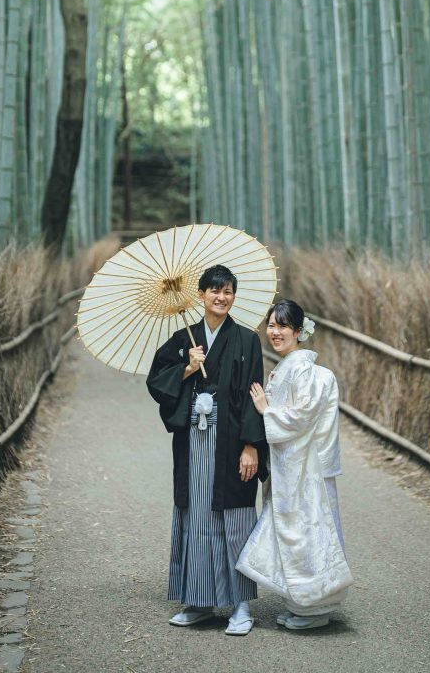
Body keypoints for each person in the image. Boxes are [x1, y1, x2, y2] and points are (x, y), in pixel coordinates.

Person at [146, 264, 267, 636]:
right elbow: (156, 383)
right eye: (215, 290)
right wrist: (187, 368)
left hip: (232, 440)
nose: (222, 297)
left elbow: (252, 394)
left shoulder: (247, 340)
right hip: (195, 442)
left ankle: (241, 605)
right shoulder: (184, 339)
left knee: (234, 518)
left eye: (228, 290)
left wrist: (251, 446)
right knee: (197, 515)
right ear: (200, 295)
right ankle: (198, 601)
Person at [236, 299, 353, 631]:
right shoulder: (288, 366)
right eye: (271, 325)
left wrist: (265, 410)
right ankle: (301, 603)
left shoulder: (302, 369)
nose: (275, 332)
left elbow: (301, 416)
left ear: (299, 332)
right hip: (292, 464)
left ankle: (315, 607)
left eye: (283, 326)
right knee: (297, 532)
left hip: (305, 468)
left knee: (307, 531)